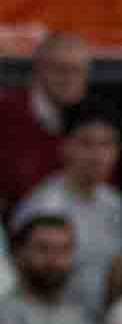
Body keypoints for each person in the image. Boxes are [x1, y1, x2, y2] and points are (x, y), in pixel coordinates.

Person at [16, 102, 122, 322]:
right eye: (86, 143)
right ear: (65, 147)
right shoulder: (43, 206)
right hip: (48, 320)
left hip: (100, 322)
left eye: (107, 144)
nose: (97, 156)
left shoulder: (116, 204)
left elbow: (116, 271)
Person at [0, 29, 91, 209]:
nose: (69, 79)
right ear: (38, 69)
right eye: (60, 70)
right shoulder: (7, 113)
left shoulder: (89, 118)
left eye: (78, 71)